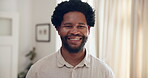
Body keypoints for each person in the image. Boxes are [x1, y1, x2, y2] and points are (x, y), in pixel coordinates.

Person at [26, 0, 115, 78]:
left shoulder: (104, 73)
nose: (75, 32)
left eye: (80, 26)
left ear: (88, 29)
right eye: (68, 26)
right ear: (58, 29)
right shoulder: (38, 71)